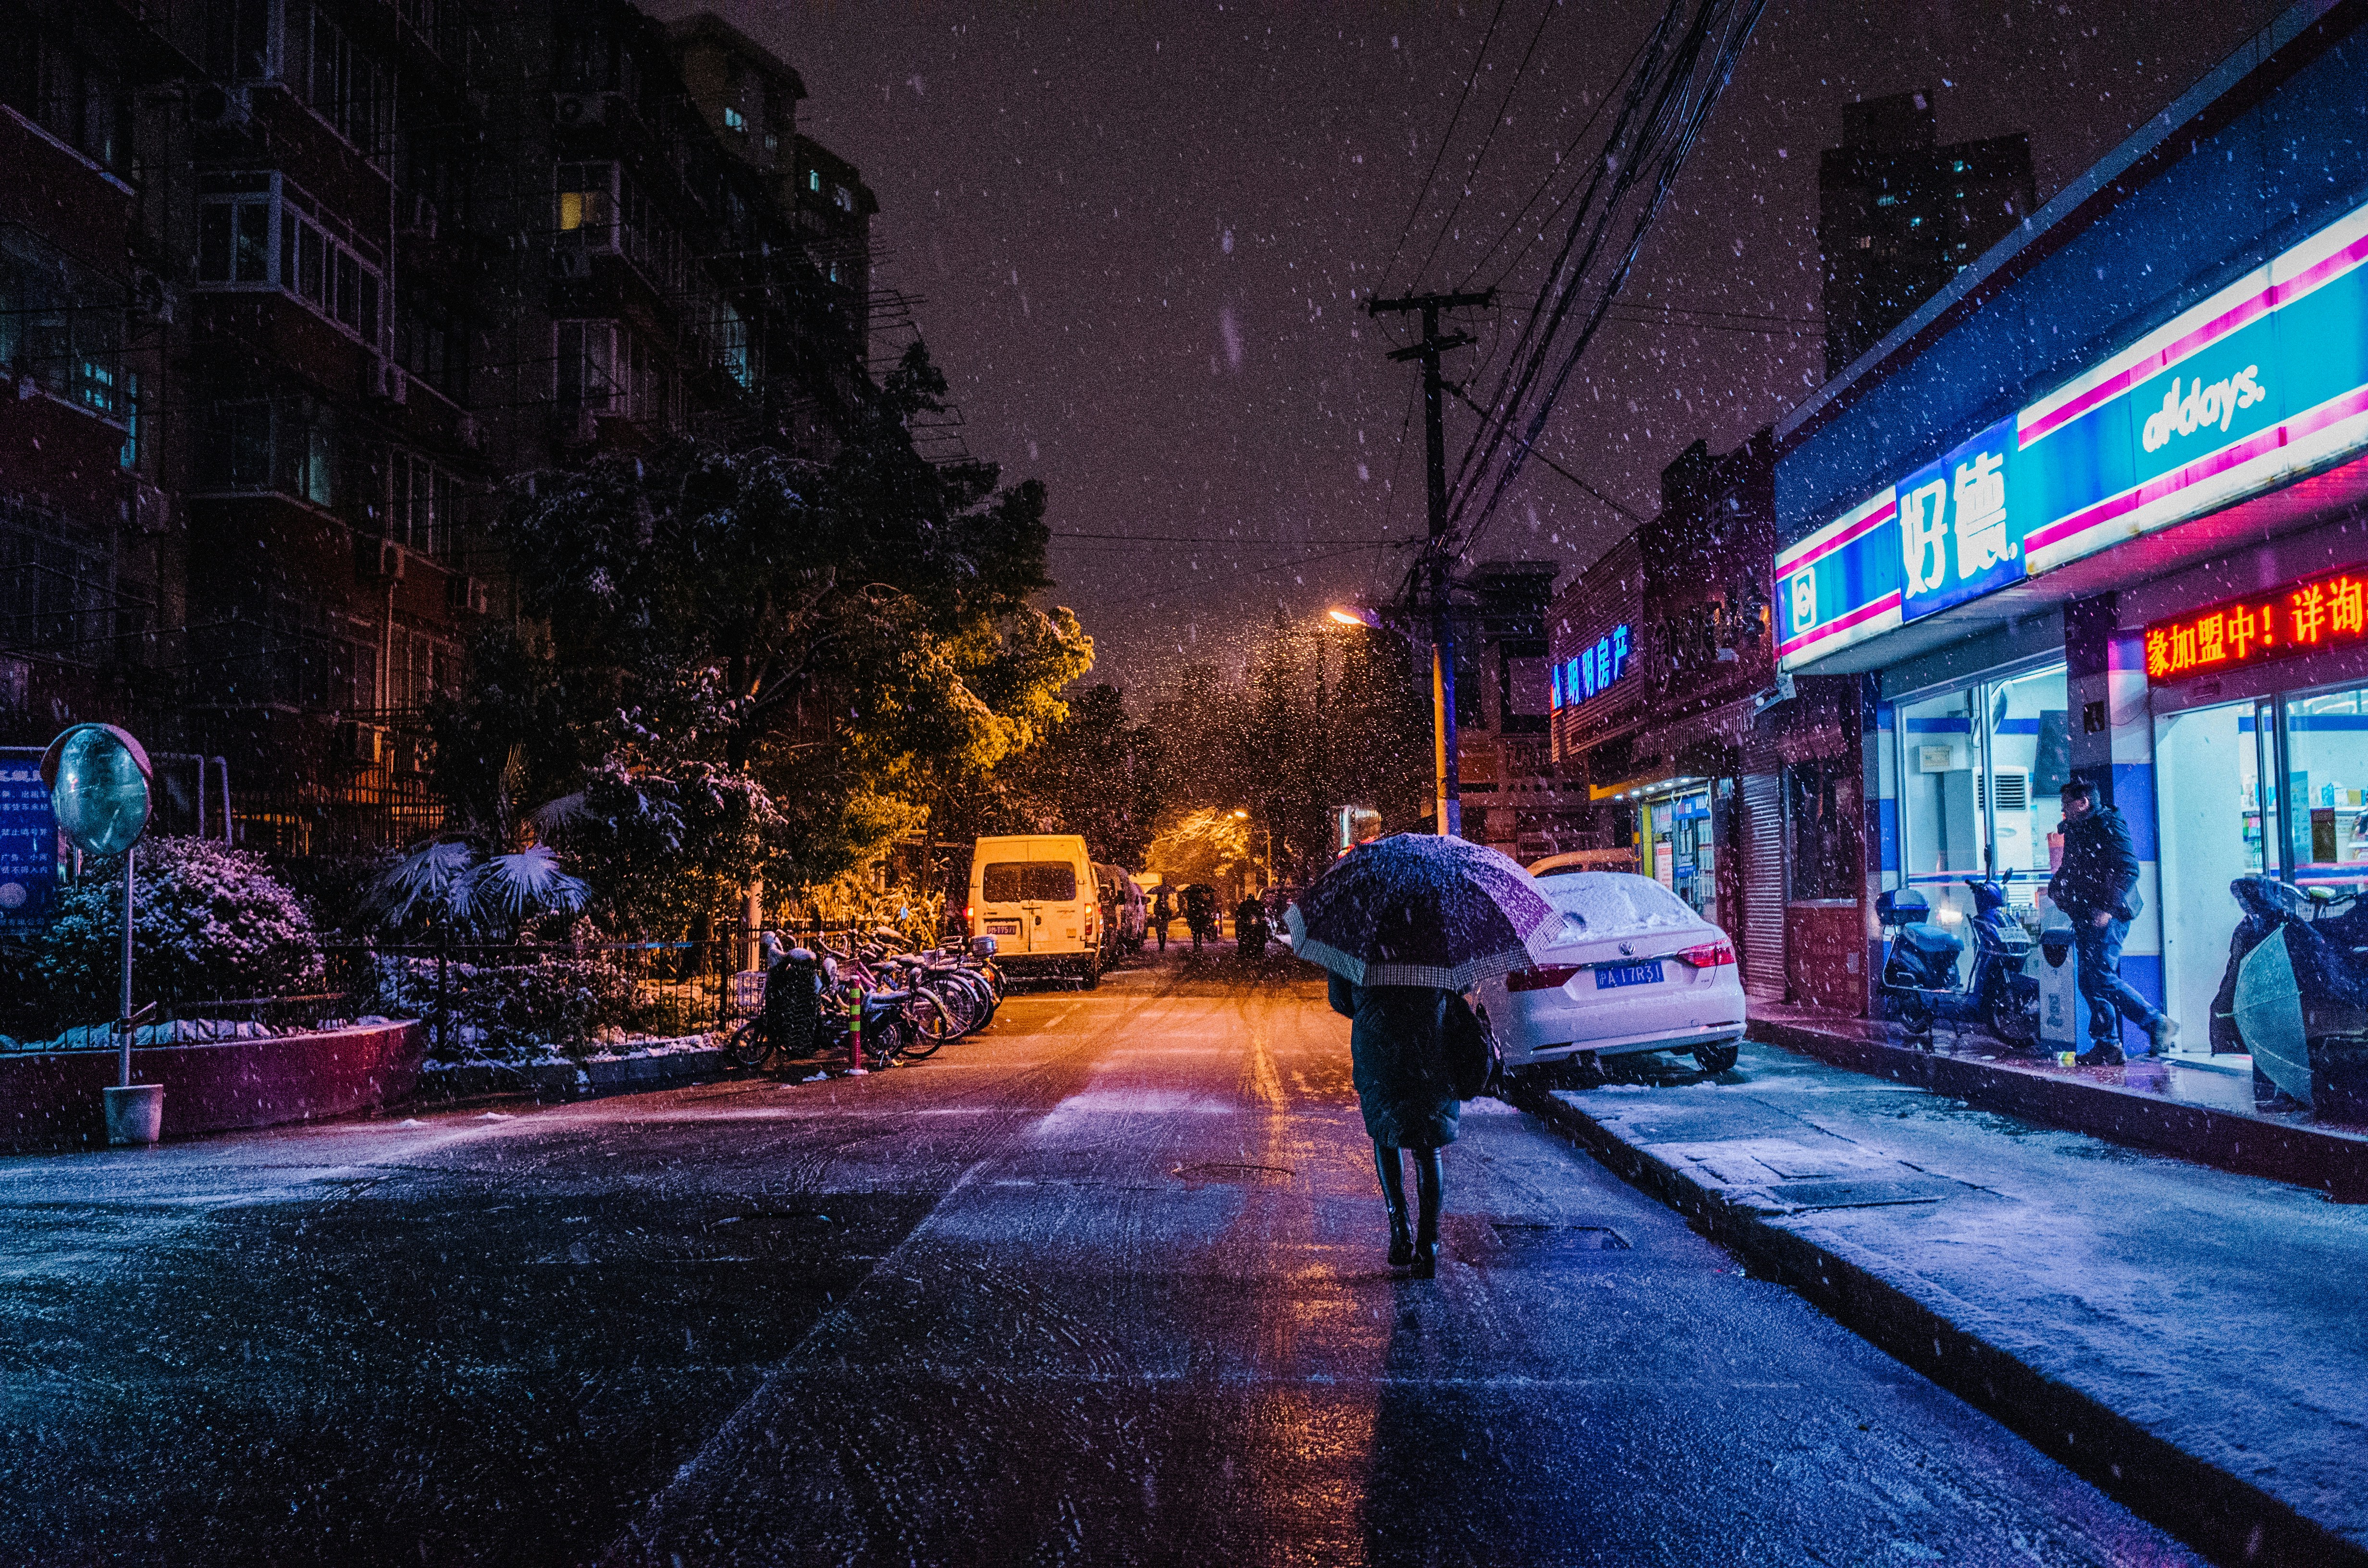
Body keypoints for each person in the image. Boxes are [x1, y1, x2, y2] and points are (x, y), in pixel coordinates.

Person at [1327, 973, 1461, 1277]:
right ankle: (1428, 1245)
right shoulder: (1435, 935)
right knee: (1428, 1149)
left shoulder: (1363, 935)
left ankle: (1399, 1225)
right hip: (1431, 1049)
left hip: (1379, 1047)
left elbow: (1340, 999)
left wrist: (1377, 1008)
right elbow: (1459, 987)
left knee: (1386, 1136)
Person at [2049, 776, 2177, 1066]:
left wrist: (2106, 909)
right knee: (2089, 981)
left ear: (2083, 803)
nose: (2063, 811)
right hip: (2085, 913)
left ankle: (2155, 1023)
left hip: (2109, 915)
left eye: (2066, 804)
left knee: (2100, 977)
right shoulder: (2077, 829)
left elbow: (2129, 869)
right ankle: (2108, 1044)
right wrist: (2058, 888)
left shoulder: (2108, 825)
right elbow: (2073, 867)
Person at [1234, 894, 1270, 963]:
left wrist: (1261, 918)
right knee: (1242, 935)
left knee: (1261, 933)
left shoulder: (1257, 904)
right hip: (1247, 924)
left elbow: (1263, 913)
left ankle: (1256, 949)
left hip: (1254, 924)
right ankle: (1243, 950)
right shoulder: (1246, 905)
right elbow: (1239, 914)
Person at [1151, 887, 1173, 952]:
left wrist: (1168, 912)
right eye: (1160, 896)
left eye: (1162, 896)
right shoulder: (1156, 904)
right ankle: (1161, 945)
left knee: (1164, 933)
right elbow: (1156, 912)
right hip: (1159, 920)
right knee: (1159, 933)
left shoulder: (1166, 904)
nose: (1161, 897)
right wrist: (1161, 911)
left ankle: (1163, 945)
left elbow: (1168, 911)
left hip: (1164, 919)